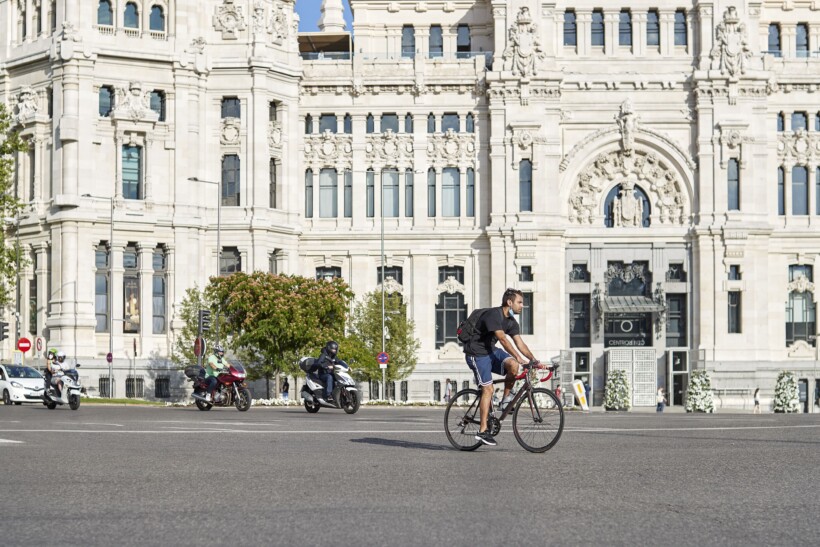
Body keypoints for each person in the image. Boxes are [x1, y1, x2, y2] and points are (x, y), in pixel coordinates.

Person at [462, 288, 540, 447]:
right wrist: (519, 357)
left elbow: (519, 343)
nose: (522, 306)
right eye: (519, 302)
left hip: (490, 351)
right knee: (488, 390)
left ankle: (505, 401)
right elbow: (503, 340)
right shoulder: (493, 315)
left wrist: (533, 360)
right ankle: (482, 431)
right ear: (509, 302)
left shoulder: (511, 322)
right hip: (476, 353)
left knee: (513, 365)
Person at [315, 341, 342, 405]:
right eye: (333, 349)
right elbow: (318, 363)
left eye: (335, 349)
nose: (334, 350)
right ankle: (328, 395)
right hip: (323, 374)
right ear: (329, 348)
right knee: (330, 377)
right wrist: (326, 366)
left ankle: (338, 395)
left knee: (339, 378)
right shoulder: (323, 355)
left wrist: (347, 366)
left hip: (331, 373)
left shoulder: (334, 357)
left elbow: (340, 362)